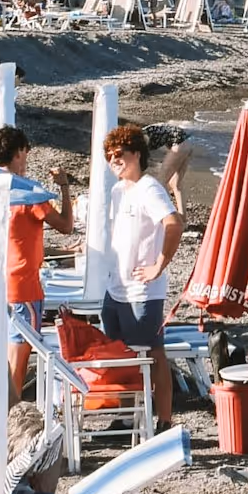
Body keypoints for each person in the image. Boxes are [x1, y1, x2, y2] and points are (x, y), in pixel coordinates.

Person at [0, 126, 76, 389]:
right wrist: (64, 187)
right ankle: (10, 414)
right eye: (25, 152)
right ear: (18, 153)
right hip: (23, 284)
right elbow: (66, 226)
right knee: (18, 356)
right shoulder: (27, 191)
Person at [102, 120, 182, 427]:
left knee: (153, 355)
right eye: (109, 156)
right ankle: (126, 417)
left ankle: (164, 420)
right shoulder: (119, 190)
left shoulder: (150, 188)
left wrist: (159, 265)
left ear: (137, 153)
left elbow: (173, 224)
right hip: (115, 288)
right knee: (121, 357)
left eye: (119, 153)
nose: (114, 160)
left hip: (143, 292)